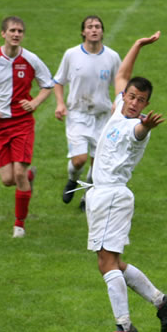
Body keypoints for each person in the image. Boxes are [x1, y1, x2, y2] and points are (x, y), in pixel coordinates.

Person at [84, 31, 167, 332]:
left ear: (146, 106)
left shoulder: (134, 127)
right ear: (125, 96)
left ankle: (124, 327)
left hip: (112, 197)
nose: (135, 102)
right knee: (113, 263)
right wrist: (138, 45)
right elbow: (122, 75)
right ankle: (161, 301)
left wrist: (146, 126)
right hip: (100, 197)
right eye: (132, 96)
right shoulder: (116, 110)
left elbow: (139, 133)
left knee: (106, 263)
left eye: (141, 100)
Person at [0, 16, 54, 238]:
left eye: (20, 31)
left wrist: (34, 103)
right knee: (7, 180)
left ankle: (19, 226)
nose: (16, 34)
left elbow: (48, 85)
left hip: (23, 123)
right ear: (3, 34)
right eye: (13, 30)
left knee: (18, 172)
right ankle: (29, 178)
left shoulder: (32, 60)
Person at [53, 15, 121, 212]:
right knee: (79, 160)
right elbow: (58, 81)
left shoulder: (112, 57)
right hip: (78, 115)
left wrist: (118, 102)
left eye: (98, 26)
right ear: (83, 32)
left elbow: (120, 82)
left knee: (97, 163)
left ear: (102, 31)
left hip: (102, 116)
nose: (94, 30)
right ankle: (72, 180)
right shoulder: (72, 55)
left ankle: (86, 197)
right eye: (90, 27)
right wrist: (59, 104)